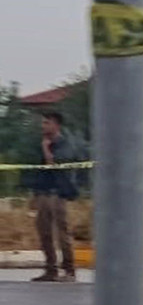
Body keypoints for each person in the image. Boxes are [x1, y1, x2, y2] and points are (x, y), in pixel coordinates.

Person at [28, 111, 81, 282]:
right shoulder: (42, 143)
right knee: (44, 232)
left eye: (47, 123)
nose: (43, 126)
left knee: (62, 232)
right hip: (43, 192)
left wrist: (46, 148)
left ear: (56, 125)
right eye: (43, 123)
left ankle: (69, 269)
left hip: (58, 193)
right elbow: (40, 170)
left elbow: (53, 164)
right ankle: (50, 269)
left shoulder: (64, 144)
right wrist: (35, 194)